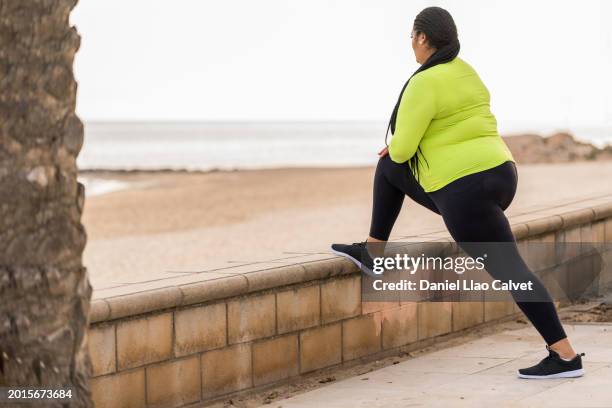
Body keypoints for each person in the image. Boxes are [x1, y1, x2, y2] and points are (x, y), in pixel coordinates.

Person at [331, 6, 584, 379]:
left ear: (421, 38)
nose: (411, 47)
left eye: (411, 39)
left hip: (468, 189)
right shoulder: (468, 73)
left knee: (511, 270)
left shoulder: (423, 81)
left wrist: (397, 145)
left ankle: (564, 357)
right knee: (391, 169)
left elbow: (401, 150)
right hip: (502, 175)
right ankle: (373, 251)